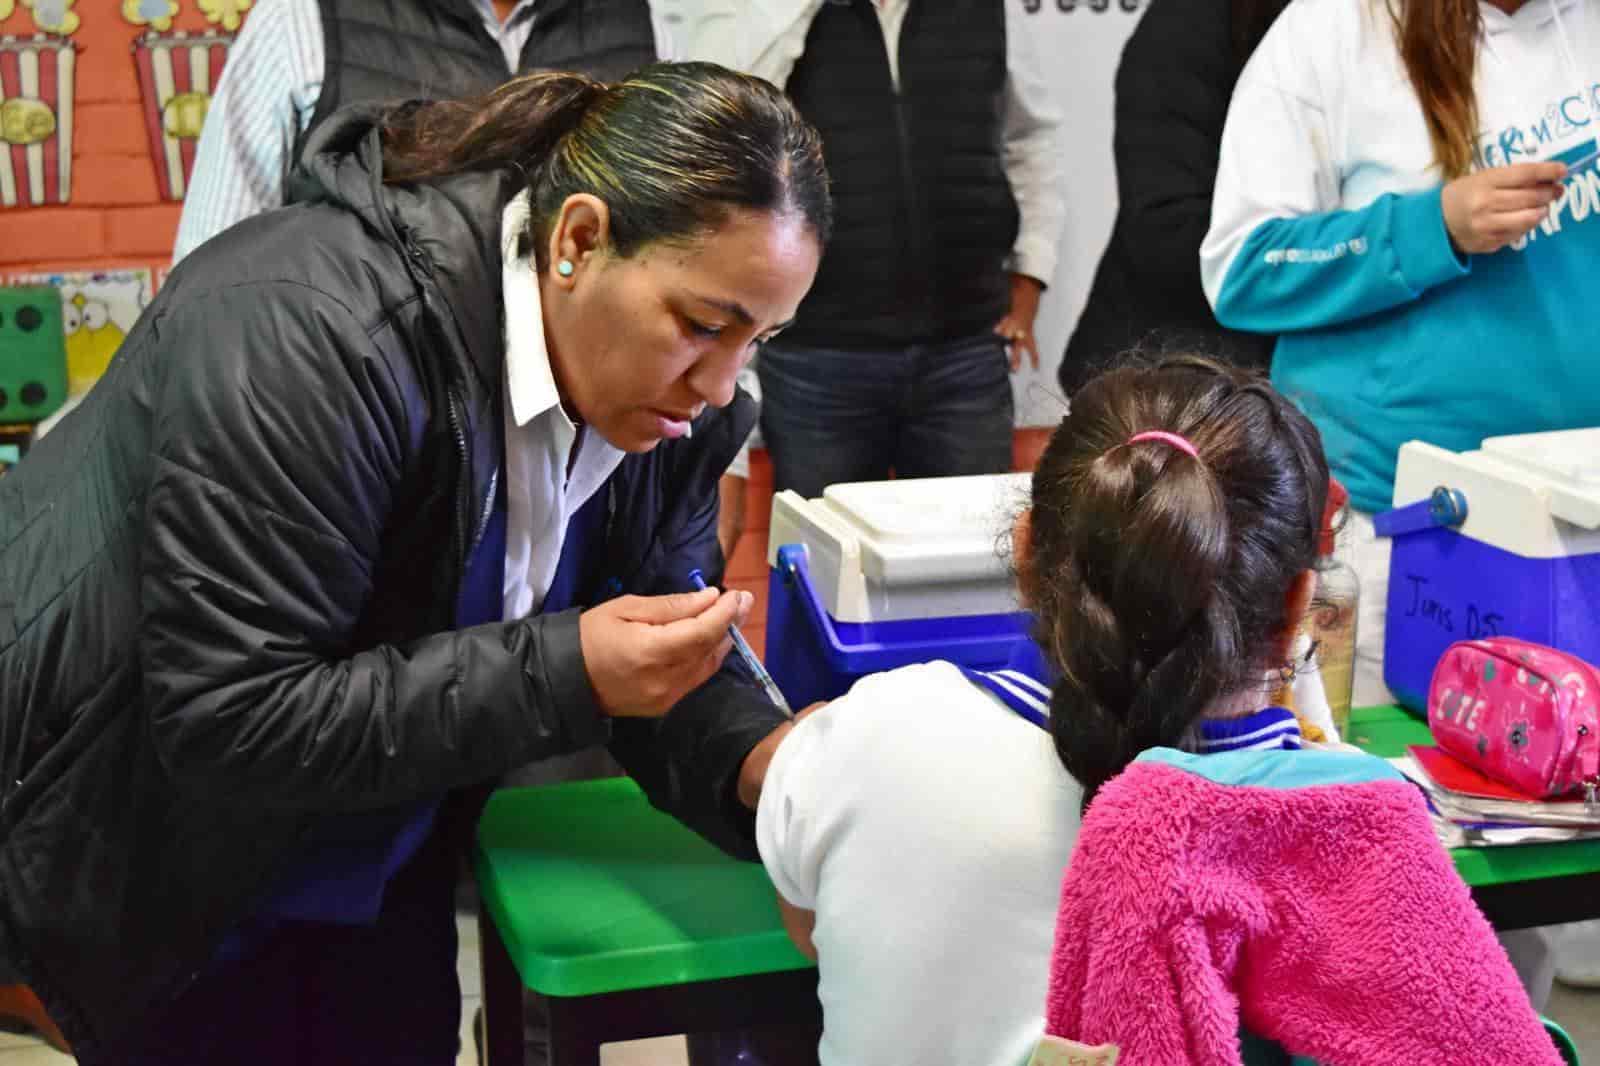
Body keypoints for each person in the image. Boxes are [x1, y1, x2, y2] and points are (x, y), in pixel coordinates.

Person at [0, 63, 828, 1064]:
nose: (721, 383)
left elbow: (649, 635)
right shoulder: (314, 335)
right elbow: (231, 712)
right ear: (575, 239)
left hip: (375, 830)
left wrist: (764, 764)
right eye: (702, 325)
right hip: (154, 845)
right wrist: (570, 669)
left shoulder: (671, 404)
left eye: (760, 337)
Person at [757, 357, 1556, 1065]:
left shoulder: (874, 728)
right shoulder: (1350, 820)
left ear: (1028, 553)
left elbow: (812, 928)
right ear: (1300, 605)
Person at [1200, 0, 1600, 1002]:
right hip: (1402, 529)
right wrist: (1433, 226)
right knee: (1408, 859)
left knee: (1539, 869)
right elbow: (1240, 270)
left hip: (1571, 519)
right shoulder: (1330, 34)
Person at [173, 0, 761, 563]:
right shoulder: (305, 20)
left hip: (579, 481)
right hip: (362, 474)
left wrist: (713, 463)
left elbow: (717, 267)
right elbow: (213, 297)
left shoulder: (643, 23)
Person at [660, 0, 1065, 497]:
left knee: (970, 559)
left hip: (964, 353)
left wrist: (1032, 269)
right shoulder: (779, 14)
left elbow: (1030, 140)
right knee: (829, 558)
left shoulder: (990, 10)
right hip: (818, 358)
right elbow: (724, 115)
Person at [1058, 0, 1285, 395]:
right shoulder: (1187, 26)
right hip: (1170, 375)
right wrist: (1330, 263)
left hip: (1274, 370)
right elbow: (1163, 228)